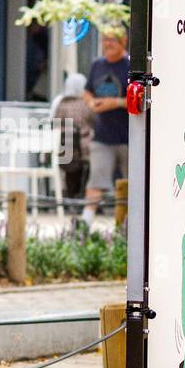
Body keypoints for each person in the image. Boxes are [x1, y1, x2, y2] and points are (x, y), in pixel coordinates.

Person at [83, 29, 130, 225]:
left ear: (123, 41)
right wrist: (92, 103)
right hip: (103, 136)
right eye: (105, 40)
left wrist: (117, 103)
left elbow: (143, 97)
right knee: (96, 181)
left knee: (133, 184)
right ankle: (85, 225)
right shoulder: (97, 65)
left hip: (130, 137)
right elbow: (87, 91)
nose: (108, 44)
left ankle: (129, 226)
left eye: (112, 40)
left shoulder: (131, 65)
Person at [51, 73, 95, 201]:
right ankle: (86, 197)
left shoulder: (61, 104)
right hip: (84, 150)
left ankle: (70, 195)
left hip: (63, 149)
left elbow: (55, 125)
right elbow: (95, 122)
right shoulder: (87, 104)